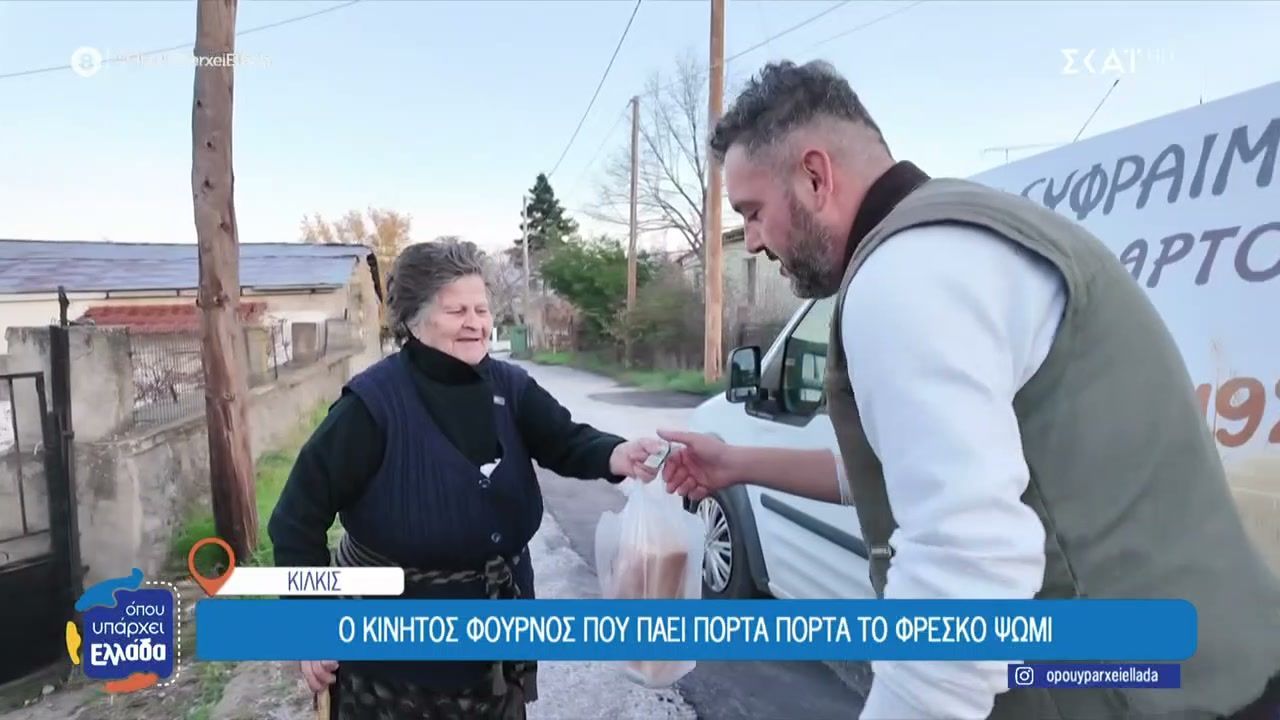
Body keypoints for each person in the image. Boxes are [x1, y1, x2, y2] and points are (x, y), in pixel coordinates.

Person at [658, 60, 1280, 719]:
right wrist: (737, 463)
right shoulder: (970, 240)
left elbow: (963, 565)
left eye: (752, 212)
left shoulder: (901, 277)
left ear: (815, 177)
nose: (753, 242)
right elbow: (916, 470)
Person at [268, 239, 666, 720]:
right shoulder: (371, 407)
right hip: (392, 664)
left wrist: (619, 454)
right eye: (457, 310)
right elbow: (296, 519)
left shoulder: (509, 387)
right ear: (414, 320)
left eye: (481, 309)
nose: (476, 322)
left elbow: (565, 439)